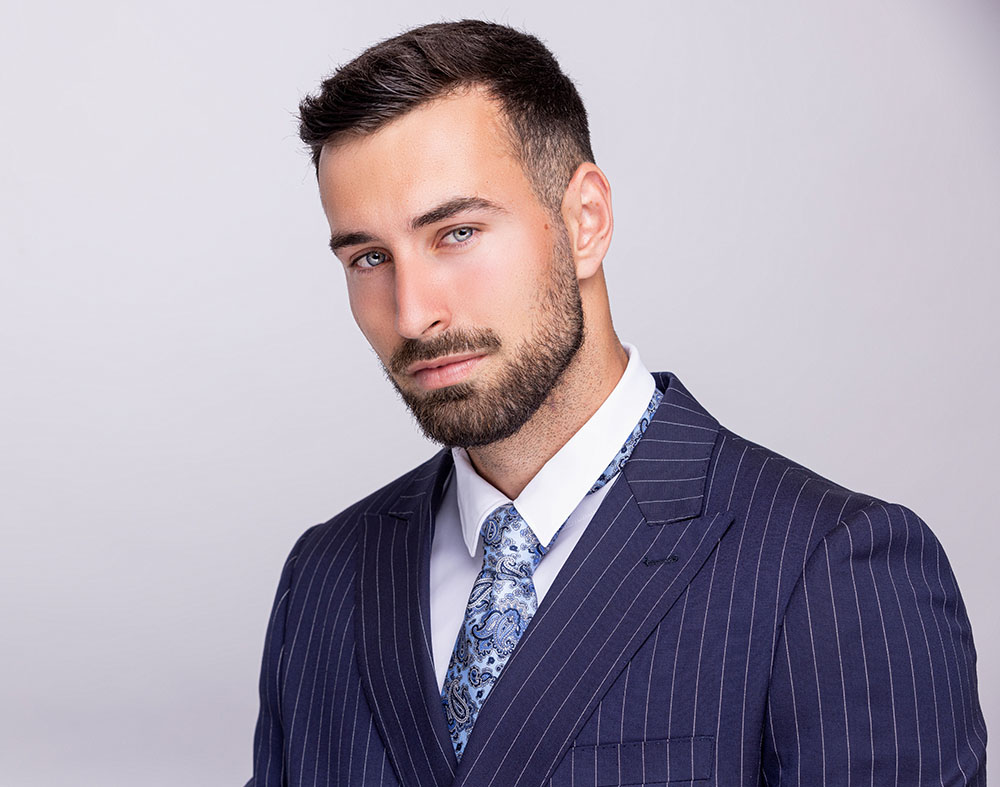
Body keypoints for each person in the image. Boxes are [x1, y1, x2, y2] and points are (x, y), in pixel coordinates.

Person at [248, 20, 986, 787]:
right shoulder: (323, 579)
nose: (412, 314)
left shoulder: (830, 570)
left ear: (586, 222)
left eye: (457, 232)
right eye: (369, 257)